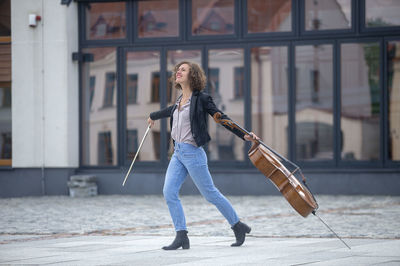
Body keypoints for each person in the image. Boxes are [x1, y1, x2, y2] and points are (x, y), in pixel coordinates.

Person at [148, 61, 259, 250]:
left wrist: (244, 134)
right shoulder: (179, 101)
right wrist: (153, 115)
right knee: (169, 192)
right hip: (178, 154)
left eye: (183, 70)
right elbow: (169, 111)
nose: (178, 72)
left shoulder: (202, 99)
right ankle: (181, 235)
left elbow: (221, 117)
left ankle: (237, 225)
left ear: (192, 76)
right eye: (178, 70)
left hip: (193, 153)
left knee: (210, 194)